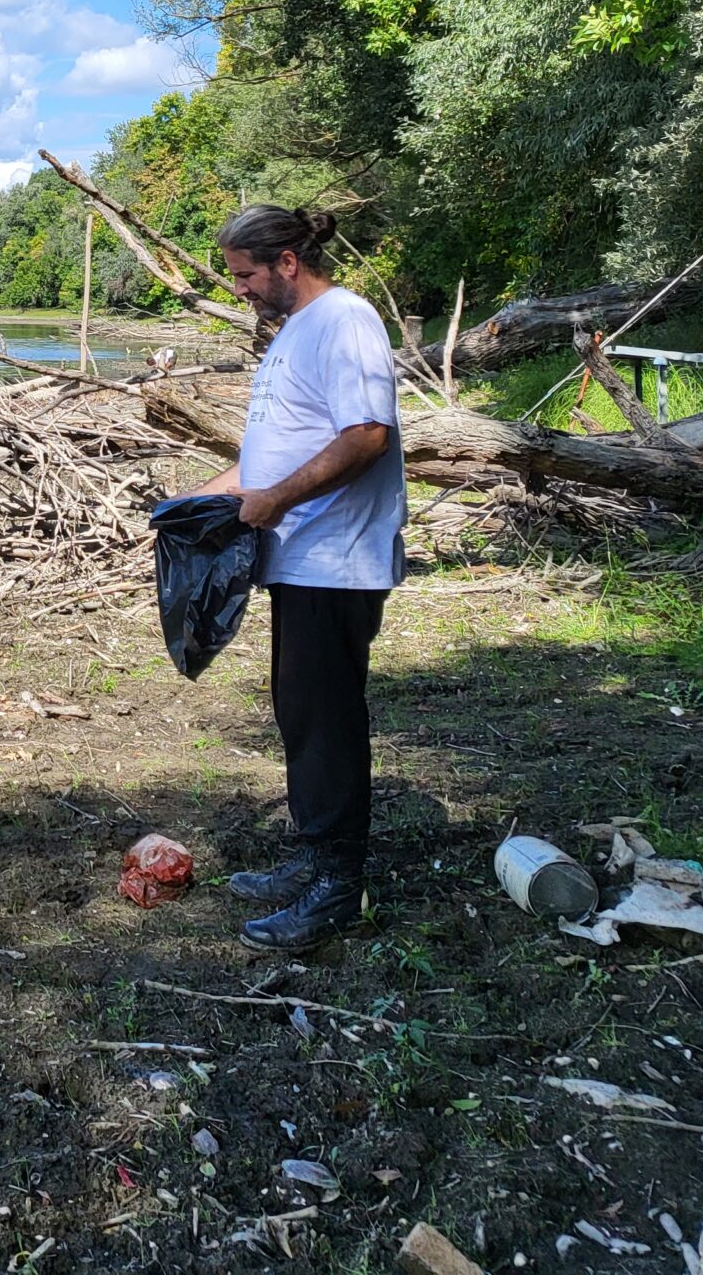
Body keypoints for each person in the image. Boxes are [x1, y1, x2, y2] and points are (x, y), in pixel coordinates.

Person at [193, 205, 406, 951]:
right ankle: (312, 859)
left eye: (246, 274)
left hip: (338, 559)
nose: (240, 290)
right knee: (300, 712)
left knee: (326, 720)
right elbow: (273, 454)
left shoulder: (346, 320)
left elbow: (366, 437)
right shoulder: (293, 334)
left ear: (287, 261)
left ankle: (336, 888)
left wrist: (276, 500)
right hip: (301, 558)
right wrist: (204, 498)